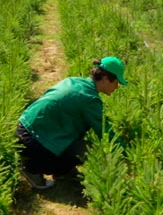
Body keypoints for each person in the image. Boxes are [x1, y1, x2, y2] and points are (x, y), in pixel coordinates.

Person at [15, 56, 128, 189]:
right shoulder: (89, 99)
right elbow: (105, 132)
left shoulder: (74, 81)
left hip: (22, 129)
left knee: (77, 136)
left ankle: (62, 171)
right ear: (105, 78)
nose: (117, 87)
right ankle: (31, 169)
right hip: (34, 143)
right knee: (90, 151)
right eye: (116, 82)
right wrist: (127, 155)